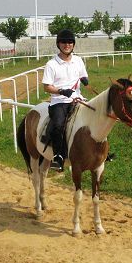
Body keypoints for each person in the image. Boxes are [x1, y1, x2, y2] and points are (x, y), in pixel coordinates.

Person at [41, 29, 89, 172]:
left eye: (70, 42)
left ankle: (100, 153)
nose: (67, 44)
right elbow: (46, 87)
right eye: (64, 42)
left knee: (96, 116)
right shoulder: (51, 64)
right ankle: (58, 156)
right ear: (58, 44)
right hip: (59, 101)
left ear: (73, 44)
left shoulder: (78, 60)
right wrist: (61, 91)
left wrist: (85, 79)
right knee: (59, 126)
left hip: (77, 99)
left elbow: (82, 74)